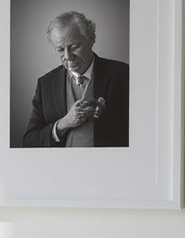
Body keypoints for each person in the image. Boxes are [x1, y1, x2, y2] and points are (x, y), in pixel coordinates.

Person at [22, 11, 129, 148]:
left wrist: (108, 116)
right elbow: (29, 141)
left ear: (91, 39)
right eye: (60, 49)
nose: (68, 56)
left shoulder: (123, 74)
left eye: (74, 47)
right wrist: (63, 124)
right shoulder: (45, 84)